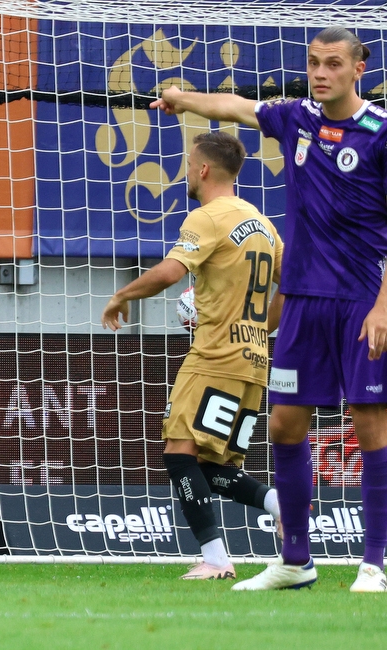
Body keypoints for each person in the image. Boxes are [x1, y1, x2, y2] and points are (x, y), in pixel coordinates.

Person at [152, 27, 387, 592]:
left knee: (371, 428)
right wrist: (183, 100)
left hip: (361, 302)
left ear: (359, 68)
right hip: (302, 301)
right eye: (313, 63)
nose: (320, 72)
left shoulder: (380, 134)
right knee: (284, 426)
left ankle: (375, 563)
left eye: (333, 63)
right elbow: (233, 106)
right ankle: (295, 561)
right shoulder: (298, 118)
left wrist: (383, 306)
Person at [102, 131, 285, 580]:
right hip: (254, 362)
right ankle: (280, 503)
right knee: (209, 464)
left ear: (203, 169)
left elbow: (170, 271)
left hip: (213, 358)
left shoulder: (206, 217)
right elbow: (295, 287)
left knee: (178, 454)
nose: (186, 171)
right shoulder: (263, 224)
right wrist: (260, 329)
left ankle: (217, 559)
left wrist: (122, 295)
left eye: (188, 164)